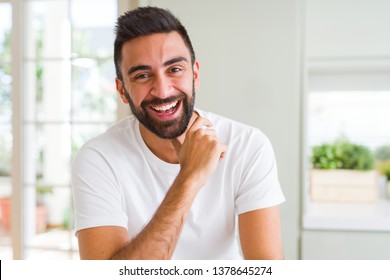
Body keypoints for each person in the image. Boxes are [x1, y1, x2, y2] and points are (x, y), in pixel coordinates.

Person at [71, 6, 285, 260]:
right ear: (122, 90)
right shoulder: (98, 158)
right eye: (142, 75)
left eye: (174, 70)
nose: (162, 91)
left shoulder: (248, 145)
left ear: (195, 74)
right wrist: (189, 177)